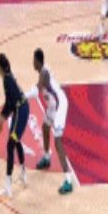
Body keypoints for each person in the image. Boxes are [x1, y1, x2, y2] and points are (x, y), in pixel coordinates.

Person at [26, 49, 73, 195]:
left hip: (59, 106)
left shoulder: (44, 73)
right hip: (53, 105)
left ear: (38, 61)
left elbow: (35, 91)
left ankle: (68, 180)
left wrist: (22, 97)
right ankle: (46, 157)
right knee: (45, 127)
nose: (32, 63)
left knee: (58, 142)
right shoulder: (42, 72)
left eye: (33, 60)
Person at [0, 53, 29, 198]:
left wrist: (2, 116)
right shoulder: (8, 75)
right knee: (16, 140)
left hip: (20, 111)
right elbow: (10, 101)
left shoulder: (7, 81)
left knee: (10, 145)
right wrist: (4, 115)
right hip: (21, 109)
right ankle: (23, 174)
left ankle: (8, 186)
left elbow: (10, 102)